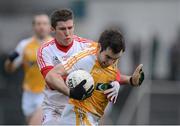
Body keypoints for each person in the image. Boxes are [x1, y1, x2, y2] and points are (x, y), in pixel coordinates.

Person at [37, 28, 144, 125]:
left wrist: (130, 80)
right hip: (77, 116)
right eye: (108, 57)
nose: (111, 62)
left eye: (115, 59)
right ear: (100, 47)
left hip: (92, 118)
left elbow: (111, 74)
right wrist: (70, 92)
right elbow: (51, 75)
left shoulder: (111, 58)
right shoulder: (84, 59)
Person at [4, 14, 52, 125]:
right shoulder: (24, 45)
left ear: (50, 27)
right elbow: (10, 68)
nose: (41, 27)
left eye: (44, 24)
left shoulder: (54, 45)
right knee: (30, 122)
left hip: (47, 93)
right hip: (29, 92)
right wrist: (10, 61)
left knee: (36, 123)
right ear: (33, 27)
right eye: (38, 24)